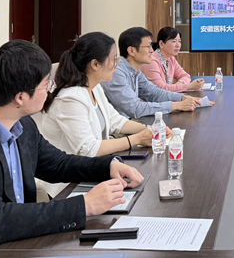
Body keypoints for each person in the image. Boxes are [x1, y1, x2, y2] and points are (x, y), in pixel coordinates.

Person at [0, 40, 143, 258]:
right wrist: (83, 206)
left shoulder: (21, 124)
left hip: (15, 244)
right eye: (46, 84)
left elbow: (57, 164)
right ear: (20, 97)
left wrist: (107, 166)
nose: (50, 90)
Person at [40, 32, 168, 198]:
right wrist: (136, 139)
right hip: (65, 186)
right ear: (95, 64)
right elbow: (88, 149)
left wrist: (149, 129)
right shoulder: (71, 98)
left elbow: (116, 121)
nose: (117, 64)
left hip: (90, 173)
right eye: (113, 59)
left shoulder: (95, 88)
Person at [103, 27, 211, 120]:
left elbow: (154, 93)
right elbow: (135, 108)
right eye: (148, 46)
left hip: (131, 122)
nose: (151, 50)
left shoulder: (135, 71)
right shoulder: (116, 72)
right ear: (131, 51)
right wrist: (177, 105)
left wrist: (183, 98)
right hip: (120, 129)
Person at [141, 26, 205, 92]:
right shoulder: (151, 61)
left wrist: (180, 84)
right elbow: (161, 89)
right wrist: (189, 86)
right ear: (161, 44)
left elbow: (185, 76)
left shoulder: (171, 59)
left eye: (179, 41)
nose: (178, 45)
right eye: (174, 41)